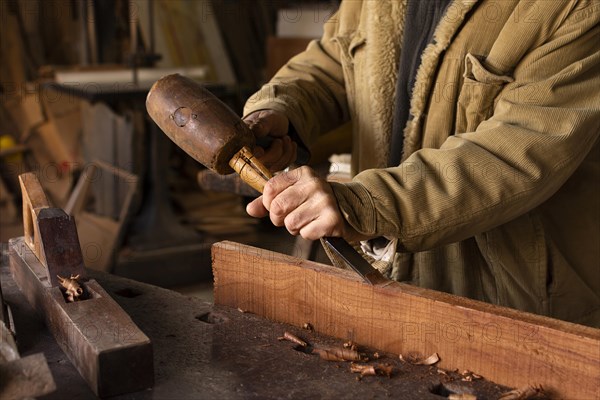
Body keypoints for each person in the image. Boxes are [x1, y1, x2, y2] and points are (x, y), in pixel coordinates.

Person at [241, 0, 600, 327]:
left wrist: (367, 205)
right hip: (388, 273)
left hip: (514, 301)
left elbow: (519, 148)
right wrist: (280, 108)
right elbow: (338, 56)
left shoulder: (574, 7)